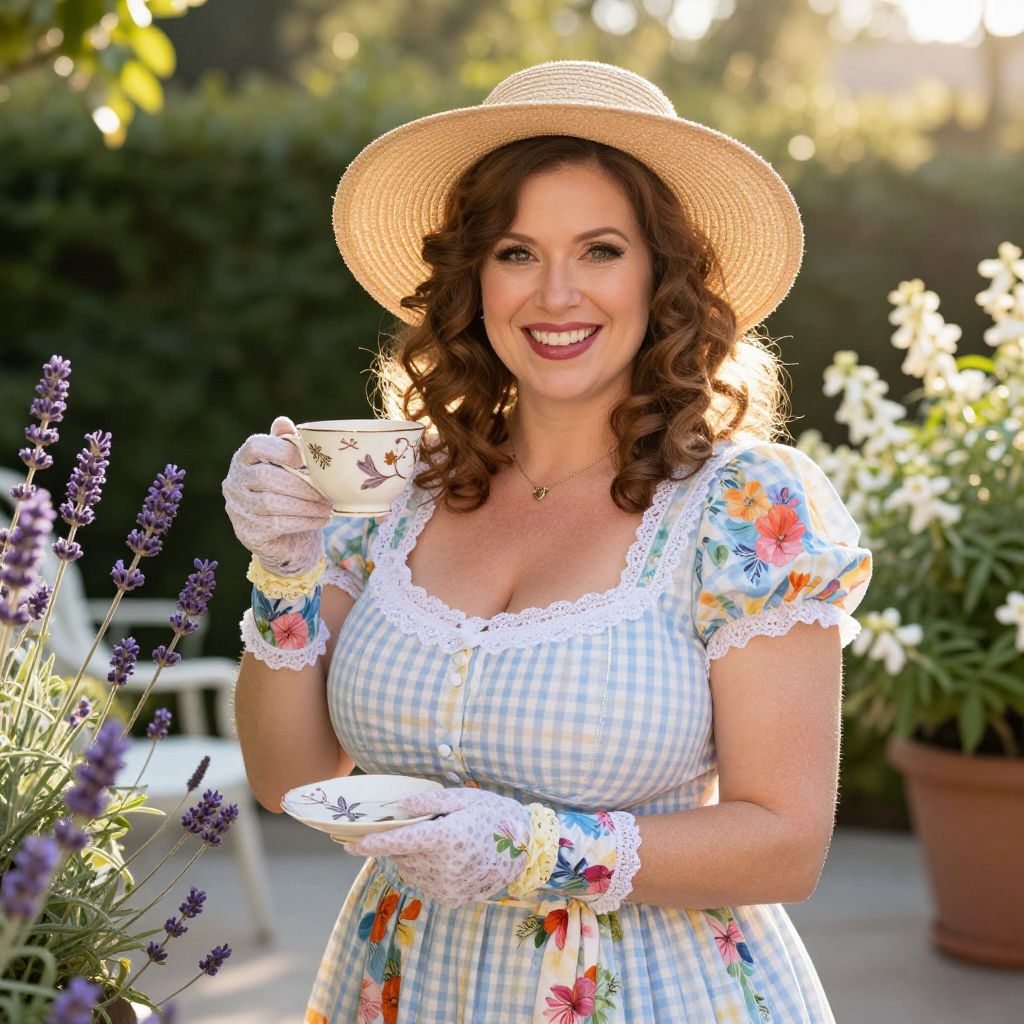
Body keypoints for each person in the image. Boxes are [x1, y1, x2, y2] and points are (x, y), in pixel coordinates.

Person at [222, 60, 873, 1024]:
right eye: (517, 253)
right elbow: (289, 779)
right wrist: (285, 569)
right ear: (472, 278)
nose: (555, 294)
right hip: (404, 983)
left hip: (654, 994)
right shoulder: (401, 491)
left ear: (663, 275)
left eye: (601, 249)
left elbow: (786, 844)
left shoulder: (746, 508)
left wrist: (527, 848)